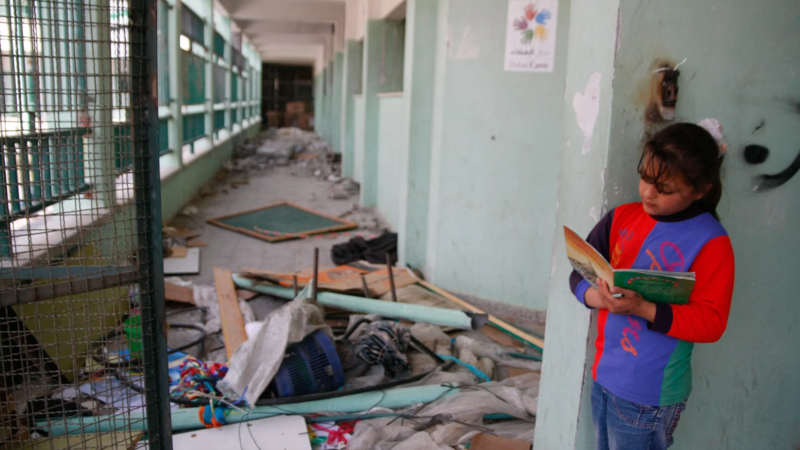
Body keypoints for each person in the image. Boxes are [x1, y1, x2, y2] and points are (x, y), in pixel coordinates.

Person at [569, 123, 736, 450]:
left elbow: (711, 322)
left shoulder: (711, 242)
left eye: (664, 188)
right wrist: (599, 298)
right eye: (645, 177)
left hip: (650, 396)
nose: (647, 192)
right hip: (605, 377)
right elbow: (578, 270)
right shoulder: (622, 218)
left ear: (700, 190)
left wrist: (642, 308)